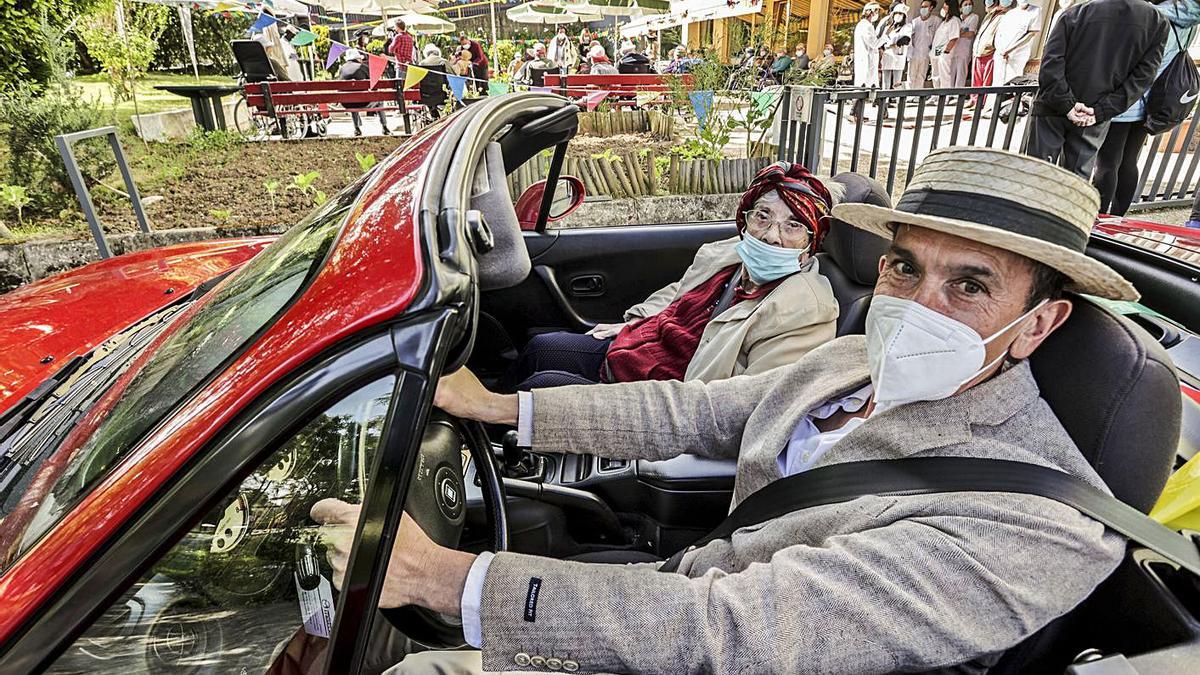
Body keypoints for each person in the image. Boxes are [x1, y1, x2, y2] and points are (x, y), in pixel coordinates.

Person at [315, 147, 1139, 675]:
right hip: (690, 590)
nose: (917, 303)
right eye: (903, 267)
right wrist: (498, 407)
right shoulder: (853, 359)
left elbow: (742, 628)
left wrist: (442, 575)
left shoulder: (1034, 525)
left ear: (1038, 323)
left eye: (970, 283)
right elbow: (692, 410)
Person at [502, 164, 843, 390]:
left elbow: (746, 402)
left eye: (793, 225)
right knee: (539, 348)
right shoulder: (733, 253)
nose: (771, 235)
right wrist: (632, 323)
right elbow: (679, 292)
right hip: (637, 348)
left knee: (539, 385)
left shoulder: (806, 308)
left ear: (811, 243)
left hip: (666, 393)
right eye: (763, 217)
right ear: (745, 220)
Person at [1028, 0, 1168, 178]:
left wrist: (1067, 104)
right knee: (1076, 182)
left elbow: (1050, 64)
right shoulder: (1157, 21)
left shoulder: (1076, 12)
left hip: (1052, 108)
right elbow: (1143, 77)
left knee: (1036, 176)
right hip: (1095, 112)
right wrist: (1100, 111)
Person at [1094, 0, 1200, 216]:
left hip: (1127, 98)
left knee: (1107, 162)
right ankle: (1116, 219)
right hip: (1155, 101)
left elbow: (1131, 57)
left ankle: (1100, 219)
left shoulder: (1151, 15)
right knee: (1129, 160)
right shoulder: (1191, 16)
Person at [337, 49, 391, 137]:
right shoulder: (363, 67)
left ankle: (357, 128)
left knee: (351, 98)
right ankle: (385, 127)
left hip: (347, 103)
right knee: (379, 100)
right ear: (358, 59)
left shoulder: (342, 68)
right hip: (364, 103)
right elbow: (374, 85)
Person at [992, 0, 1041, 85]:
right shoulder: (1011, 13)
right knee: (997, 84)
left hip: (1017, 55)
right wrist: (1000, 50)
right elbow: (999, 33)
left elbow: (1031, 34)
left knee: (1010, 85)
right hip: (1001, 55)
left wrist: (1009, 50)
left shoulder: (1036, 11)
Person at [852, 3, 885, 120]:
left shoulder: (864, 25)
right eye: (876, 12)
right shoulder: (866, 26)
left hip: (866, 60)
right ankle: (855, 113)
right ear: (870, 12)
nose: (877, 15)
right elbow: (874, 43)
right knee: (863, 87)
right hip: (866, 61)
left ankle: (856, 113)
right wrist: (886, 37)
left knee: (866, 86)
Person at [972, 0, 1009, 90]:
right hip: (979, 50)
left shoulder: (1005, 16)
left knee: (986, 81)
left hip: (989, 52)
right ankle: (974, 99)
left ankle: (981, 102)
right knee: (976, 78)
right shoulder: (989, 15)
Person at [908, 0, 941, 87]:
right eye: (922, 7)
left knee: (921, 75)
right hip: (914, 53)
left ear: (931, 8)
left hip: (926, 53)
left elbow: (938, 38)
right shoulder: (915, 22)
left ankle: (917, 96)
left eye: (925, 7)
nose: (923, 9)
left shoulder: (936, 21)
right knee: (911, 75)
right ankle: (909, 95)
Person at [931, 0, 962, 88]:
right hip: (937, 50)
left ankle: (945, 96)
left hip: (944, 52)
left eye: (945, 7)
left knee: (944, 75)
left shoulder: (954, 20)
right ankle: (936, 95)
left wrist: (946, 52)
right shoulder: (944, 21)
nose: (943, 8)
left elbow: (954, 37)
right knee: (936, 75)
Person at [881, 7, 914, 90]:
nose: (898, 15)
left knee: (897, 81)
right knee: (886, 80)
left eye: (900, 14)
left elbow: (906, 39)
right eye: (896, 13)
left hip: (898, 55)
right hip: (887, 55)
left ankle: (898, 100)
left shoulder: (907, 26)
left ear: (904, 16)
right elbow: (882, 40)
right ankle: (885, 100)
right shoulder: (888, 27)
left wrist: (894, 44)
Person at [417, 44, 448, 120]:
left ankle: (433, 114)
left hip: (426, 95)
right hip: (443, 94)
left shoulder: (422, 64)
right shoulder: (443, 62)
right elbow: (453, 75)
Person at [951, 0, 979, 87]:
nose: (968, 6)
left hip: (964, 50)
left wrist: (957, 33)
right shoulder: (956, 18)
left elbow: (970, 34)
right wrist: (962, 33)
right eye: (965, 5)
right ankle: (948, 93)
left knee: (961, 73)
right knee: (950, 73)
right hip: (953, 49)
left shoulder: (974, 17)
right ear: (960, 8)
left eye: (970, 4)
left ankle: (957, 94)